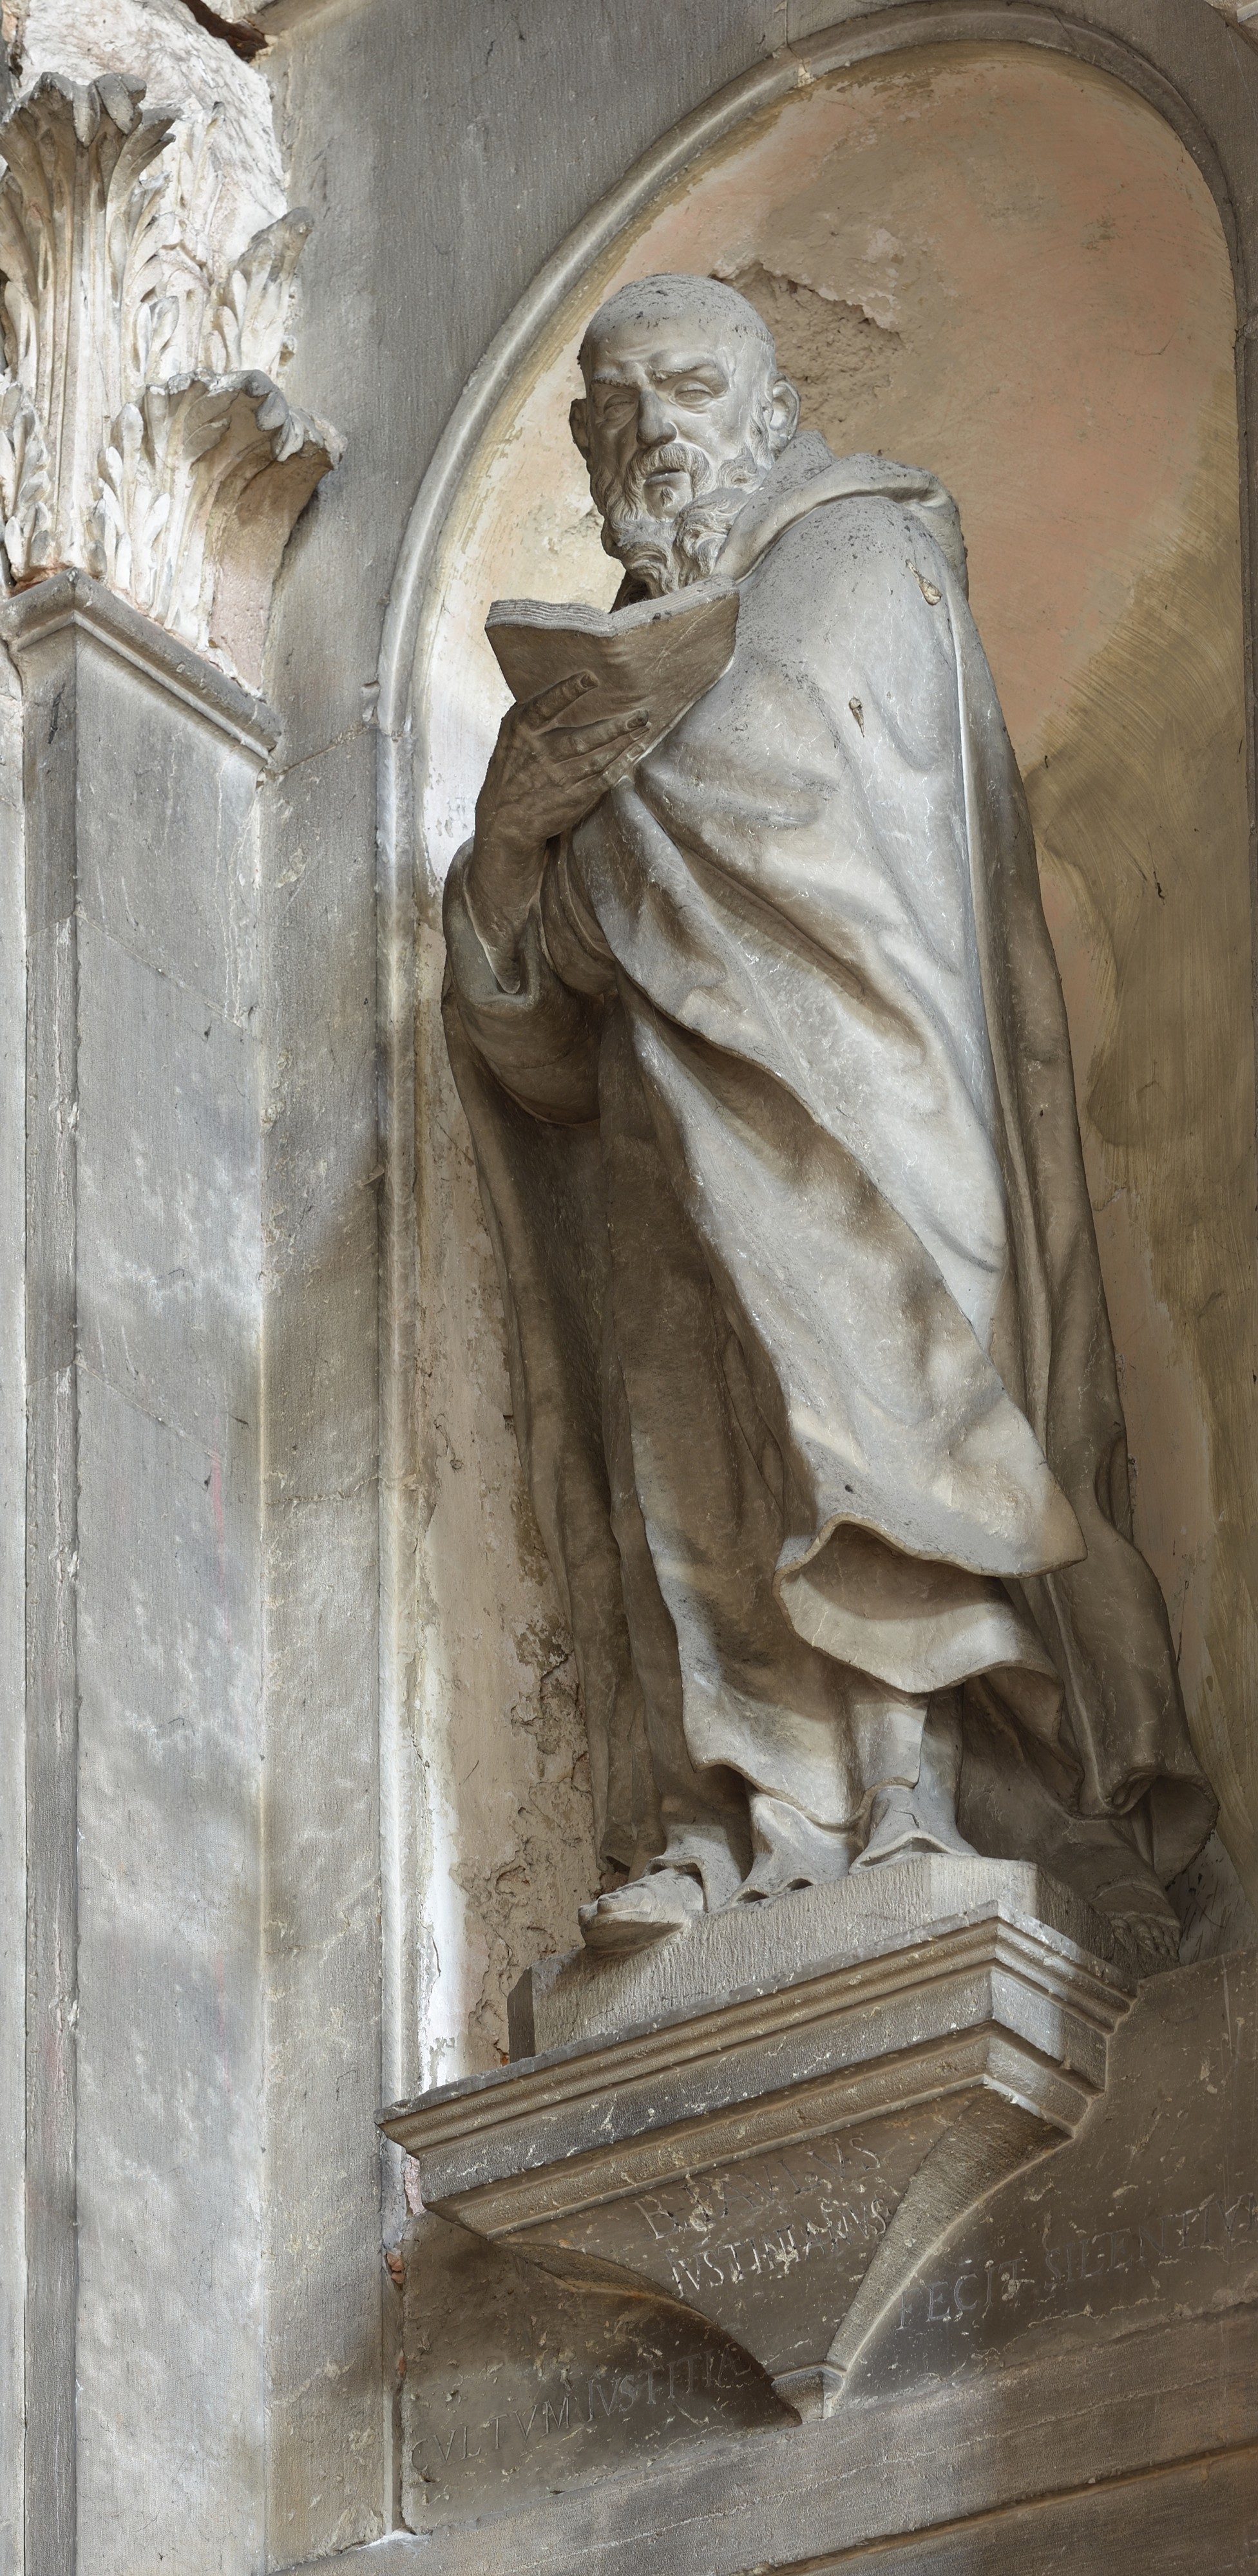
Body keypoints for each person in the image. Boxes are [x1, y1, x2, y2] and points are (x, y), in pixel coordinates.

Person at [442, 272, 1214, 1960]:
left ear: (767, 403)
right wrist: (513, 837)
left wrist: (600, 811)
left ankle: (916, 1804)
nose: (654, 429)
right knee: (702, 1464)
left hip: (866, 1098)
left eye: (690, 385)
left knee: (870, 1421)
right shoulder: (614, 672)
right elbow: (532, 1039)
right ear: (580, 442)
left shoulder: (858, 550)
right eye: (616, 403)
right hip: (667, 1122)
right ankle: (745, 1824)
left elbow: (786, 785)